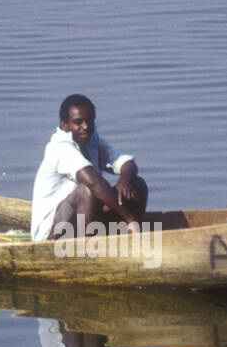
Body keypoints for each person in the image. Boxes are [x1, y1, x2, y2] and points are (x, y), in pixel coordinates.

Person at [30, 94, 147, 241]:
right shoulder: (60, 148)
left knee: (138, 184)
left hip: (83, 218)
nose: (85, 127)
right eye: (78, 122)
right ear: (64, 125)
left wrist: (125, 179)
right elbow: (93, 181)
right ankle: (87, 252)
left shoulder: (91, 140)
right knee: (87, 190)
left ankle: (132, 239)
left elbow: (126, 163)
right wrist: (129, 218)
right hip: (52, 232)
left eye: (89, 121)